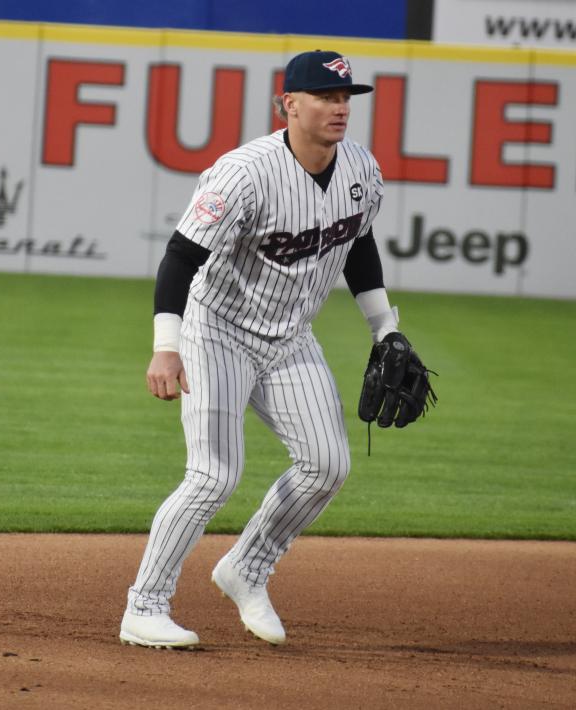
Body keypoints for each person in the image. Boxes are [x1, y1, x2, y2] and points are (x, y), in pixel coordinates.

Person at [120, 50, 400, 649]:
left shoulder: (360, 168)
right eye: (325, 96)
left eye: (346, 97)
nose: (340, 107)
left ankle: (246, 567)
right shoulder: (245, 173)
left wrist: (385, 329)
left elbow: (359, 242)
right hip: (216, 330)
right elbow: (180, 257)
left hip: (291, 335)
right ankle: (143, 607)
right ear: (289, 104)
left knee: (327, 465)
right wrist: (164, 348)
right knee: (213, 476)